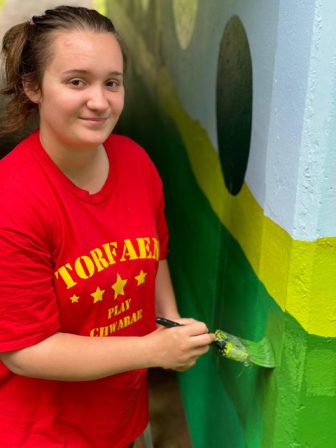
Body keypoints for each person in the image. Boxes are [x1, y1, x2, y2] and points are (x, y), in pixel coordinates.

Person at [0, 5, 214, 448]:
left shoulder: (135, 161)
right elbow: (25, 350)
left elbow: (155, 254)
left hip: (124, 419)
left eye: (111, 83)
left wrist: (170, 322)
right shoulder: (12, 201)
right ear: (32, 86)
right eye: (77, 81)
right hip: (40, 433)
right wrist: (151, 350)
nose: (100, 101)